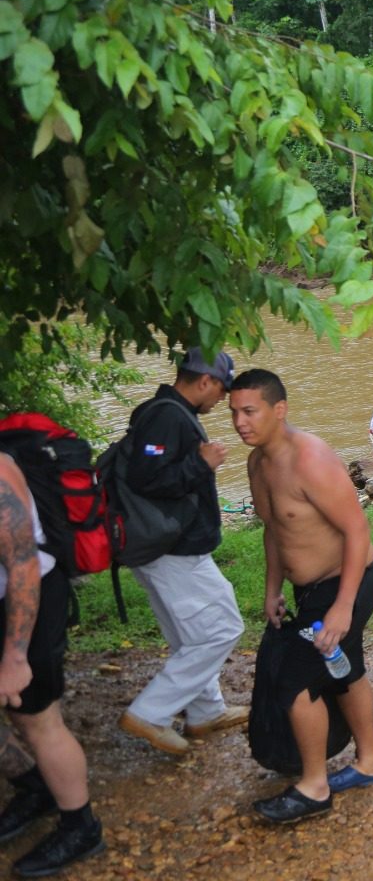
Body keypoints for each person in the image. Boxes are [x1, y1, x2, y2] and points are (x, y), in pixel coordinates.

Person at [231, 370, 373, 823]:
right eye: (234, 413)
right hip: (308, 589)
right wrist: (273, 588)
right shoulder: (258, 463)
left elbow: (357, 529)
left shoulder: (311, 459)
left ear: (279, 410)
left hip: (348, 582)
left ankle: (314, 786)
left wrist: (342, 606)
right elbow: (275, 530)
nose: (240, 422)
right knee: (345, 670)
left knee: (297, 680)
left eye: (249, 411)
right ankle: (369, 761)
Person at [117, 348, 247, 757]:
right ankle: (149, 713)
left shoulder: (163, 410)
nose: (222, 400)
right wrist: (201, 464)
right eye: (222, 390)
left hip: (163, 546)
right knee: (223, 627)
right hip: (173, 549)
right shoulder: (168, 415)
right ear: (205, 381)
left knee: (189, 636)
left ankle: (205, 712)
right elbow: (145, 477)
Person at [0, 454, 104, 875]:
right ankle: (35, 787)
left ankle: (81, 826)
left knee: (37, 719)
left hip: (28, 602)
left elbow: (23, 564)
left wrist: (14, 656)